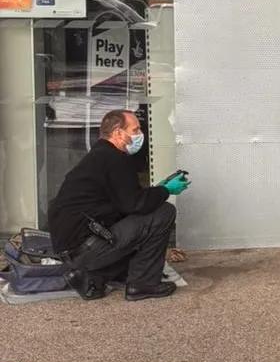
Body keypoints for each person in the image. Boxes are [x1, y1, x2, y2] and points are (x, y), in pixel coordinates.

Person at [48, 109, 189, 301]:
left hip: (75, 249)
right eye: (135, 130)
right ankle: (143, 283)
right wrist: (166, 191)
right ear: (118, 133)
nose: (140, 134)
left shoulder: (100, 156)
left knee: (141, 220)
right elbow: (135, 204)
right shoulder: (114, 158)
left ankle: (96, 275)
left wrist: (160, 188)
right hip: (86, 250)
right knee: (164, 212)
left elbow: (125, 200)